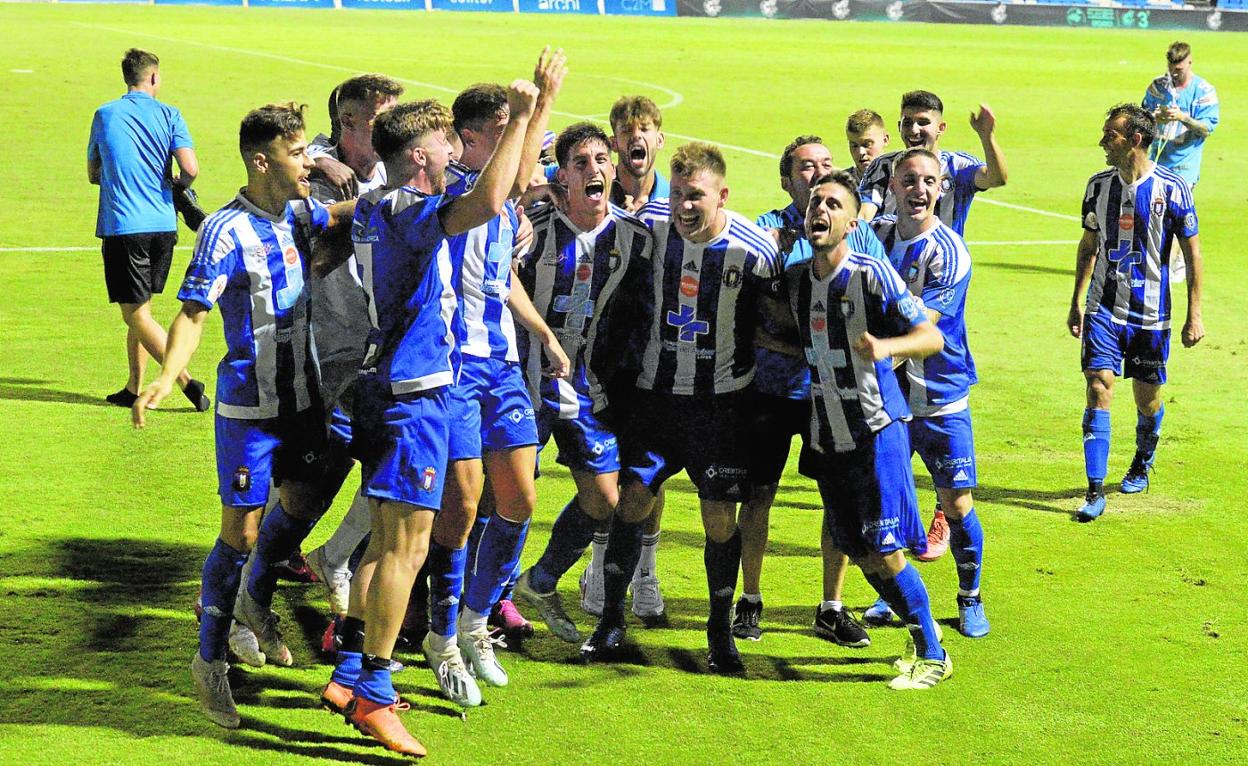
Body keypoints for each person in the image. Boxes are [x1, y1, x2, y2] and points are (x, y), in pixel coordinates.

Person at [318, 82, 540, 756]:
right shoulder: (414, 211)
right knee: (405, 552)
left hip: (381, 384)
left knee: (385, 544)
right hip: (416, 394)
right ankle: (375, 696)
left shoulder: (375, 204)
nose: (453, 150)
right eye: (446, 143)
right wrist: (525, 117)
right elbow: (490, 200)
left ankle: (350, 670)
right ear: (422, 158)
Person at [132, 102, 356, 728]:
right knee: (242, 533)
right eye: (296, 155)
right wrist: (168, 376)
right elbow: (193, 314)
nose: (306, 164)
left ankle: (255, 598)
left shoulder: (299, 215)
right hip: (249, 411)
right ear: (262, 161)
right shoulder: (224, 232)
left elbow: (343, 211)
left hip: (304, 403)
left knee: (306, 502)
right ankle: (209, 663)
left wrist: (412, 196)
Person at [580, 142, 777, 674]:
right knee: (634, 501)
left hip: (721, 408)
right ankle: (611, 622)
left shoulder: (754, 250)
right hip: (654, 400)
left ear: (723, 195)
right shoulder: (651, 231)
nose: (686, 208)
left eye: (698, 197)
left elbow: (779, 311)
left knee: (718, 518)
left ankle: (719, 635)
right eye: (680, 196)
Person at [419, 51, 569, 709]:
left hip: (501, 365)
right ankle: (441, 637)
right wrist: (538, 107)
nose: (518, 148)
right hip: (452, 369)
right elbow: (505, 185)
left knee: (520, 501)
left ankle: (477, 622)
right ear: (469, 139)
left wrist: (540, 330)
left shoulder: (505, 203)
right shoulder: (456, 189)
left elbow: (499, 276)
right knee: (461, 510)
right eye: (504, 131)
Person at [789, 171, 952, 689]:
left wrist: (886, 348)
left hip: (876, 430)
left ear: (853, 220)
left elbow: (931, 337)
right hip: (826, 434)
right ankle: (918, 631)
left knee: (885, 548)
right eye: (816, 201)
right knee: (853, 545)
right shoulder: (798, 281)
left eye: (834, 204)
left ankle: (932, 653)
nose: (822, 210)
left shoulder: (871, 274)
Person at [732, 135, 881, 647]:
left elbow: (875, 305)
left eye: (824, 165)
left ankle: (831, 607)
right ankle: (749, 600)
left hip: (831, 395)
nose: (816, 174)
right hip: (771, 392)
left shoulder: (857, 232)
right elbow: (750, 315)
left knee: (835, 501)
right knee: (758, 495)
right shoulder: (766, 232)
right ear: (785, 179)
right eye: (804, 168)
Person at [511, 122, 654, 644]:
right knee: (508, 495)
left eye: (601, 160)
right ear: (563, 175)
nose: (594, 169)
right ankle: (476, 604)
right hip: (523, 380)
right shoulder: (534, 230)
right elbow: (494, 276)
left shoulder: (636, 238)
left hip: (587, 387)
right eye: (580, 162)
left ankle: (540, 580)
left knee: (603, 498)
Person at [868, 149, 988, 638]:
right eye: (909, 180)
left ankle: (970, 596)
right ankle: (891, 593)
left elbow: (925, 328)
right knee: (887, 502)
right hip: (888, 398)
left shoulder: (951, 251)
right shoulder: (873, 238)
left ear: (941, 189)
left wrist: (865, 358)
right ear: (893, 186)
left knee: (956, 504)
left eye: (929, 181)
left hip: (939, 394)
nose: (919, 189)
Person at [299, 74, 404, 623]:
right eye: (383, 124)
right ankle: (245, 587)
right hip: (327, 350)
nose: (396, 134)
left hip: (381, 350)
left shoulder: (395, 168)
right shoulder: (312, 179)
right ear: (348, 126)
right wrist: (316, 159)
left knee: (395, 460)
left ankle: (333, 556)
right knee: (308, 476)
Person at [1067, 103, 1204, 522]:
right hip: (1103, 308)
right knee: (1098, 387)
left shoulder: (1173, 188)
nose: (1102, 142)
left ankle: (1143, 457)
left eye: (1111, 135)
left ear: (1135, 141)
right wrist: (1076, 300)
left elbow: (1193, 254)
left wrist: (1194, 314)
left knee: (1147, 400)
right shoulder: (1097, 186)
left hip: (1151, 316)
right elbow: (1089, 246)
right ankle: (1094, 491)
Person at [578, 94, 672, 623]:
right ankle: (598, 561)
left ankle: (647, 570)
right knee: (600, 474)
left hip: (655, 363)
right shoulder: (589, 195)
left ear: (659, 139)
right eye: (625, 130)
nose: (635, 137)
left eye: (646, 129)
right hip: (597, 362)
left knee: (649, 477)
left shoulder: (675, 202)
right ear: (614, 143)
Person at [88, 48, 208, 411]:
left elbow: (93, 173)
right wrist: (176, 183)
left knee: (134, 314)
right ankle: (133, 386)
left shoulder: (105, 114)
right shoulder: (171, 114)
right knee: (143, 310)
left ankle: (185, 381)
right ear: (153, 77)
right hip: (162, 227)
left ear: (126, 76)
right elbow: (190, 169)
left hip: (124, 226)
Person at [857, 90, 1007, 237]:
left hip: (940, 259)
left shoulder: (958, 166)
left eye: (923, 122)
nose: (914, 130)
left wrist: (987, 137)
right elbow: (864, 214)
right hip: (891, 259)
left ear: (940, 128)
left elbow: (996, 179)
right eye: (907, 123)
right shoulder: (883, 166)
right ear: (899, 126)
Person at [1142, 42, 1219, 190]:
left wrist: (1182, 118)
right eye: (1170, 69)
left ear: (1190, 61)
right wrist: (1154, 117)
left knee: (1177, 212)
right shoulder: (1157, 86)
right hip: (1156, 164)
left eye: (1178, 70)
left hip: (1184, 169)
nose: (1173, 74)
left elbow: (1206, 130)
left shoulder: (1204, 91)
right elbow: (1140, 120)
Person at [845, 108, 890, 183]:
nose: (860, 152)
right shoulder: (840, 185)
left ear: (885, 140)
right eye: (854, 145)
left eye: (867, 144)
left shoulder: (902, 179)